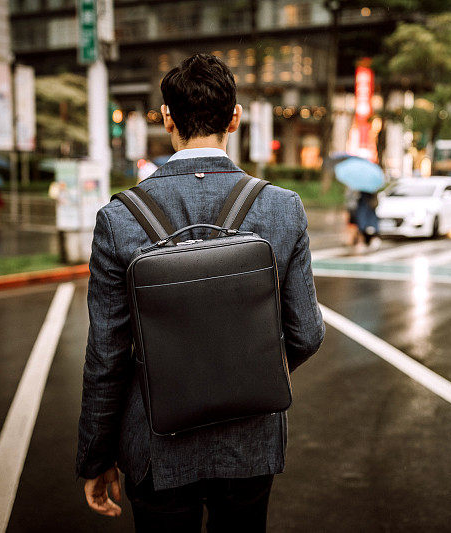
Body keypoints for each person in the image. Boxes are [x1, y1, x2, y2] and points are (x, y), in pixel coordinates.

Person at [76, 53, 325, 532]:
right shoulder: (281, 207)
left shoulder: (120, 217)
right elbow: (307, 333)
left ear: (166, 117)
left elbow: (106, 355)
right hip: (250, 441)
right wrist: (243, 371)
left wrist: (96, 454)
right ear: (235, 117)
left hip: (154, 443)